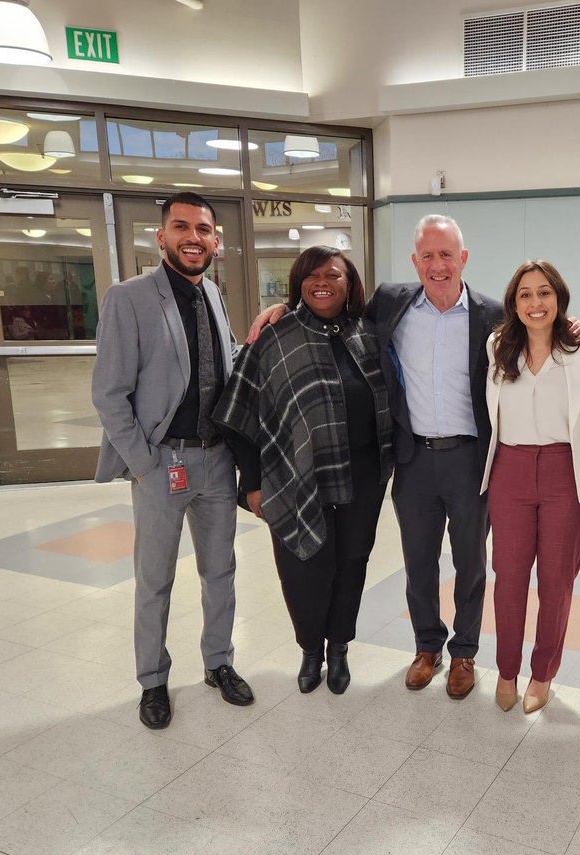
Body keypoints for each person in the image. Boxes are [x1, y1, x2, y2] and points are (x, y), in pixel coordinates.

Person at [248, 215, 504, 698]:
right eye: (427, 255)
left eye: (446, 254)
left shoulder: (494, 314)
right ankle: (427, 647)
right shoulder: (391, 303)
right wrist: (282, 308)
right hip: (413, 459)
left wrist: (572, 327)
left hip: (470, 460)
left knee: (470, 564)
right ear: (414, 261)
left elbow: (539, 335)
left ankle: (464, 652)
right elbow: (331, 307)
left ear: (464, 258)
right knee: (418, 561)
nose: (437, 265)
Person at [92, 191, 254, 730]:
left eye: (203, 229)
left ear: (215, 241)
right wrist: (144, 464)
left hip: (216, 461)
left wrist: (263, 335)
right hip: (162, 462)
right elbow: (109, 393)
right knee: (154, 578)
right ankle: (153, 681)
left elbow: (224, 362)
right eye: (181, 227)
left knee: (220, 571)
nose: (193, 237)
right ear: (161, 237)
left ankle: (219, 662)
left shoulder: (213, 293)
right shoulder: (129, 298)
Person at [212, 247, 393, 695]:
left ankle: (339, 648)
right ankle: (311, 650)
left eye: (333, 275)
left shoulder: (366, 333)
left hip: (363, 475)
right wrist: (252, 483)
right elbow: (240, 413)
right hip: (295, 475)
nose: (322, 283)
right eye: (312, 275)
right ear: (298, 283)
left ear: (350, 284)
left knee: (352, 563)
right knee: (304, 566)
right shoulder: (276, 336)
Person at [481, 260, 580, 714]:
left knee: (556, 580)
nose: (535, 302)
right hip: (509, 468)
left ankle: (543, 671)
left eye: (544, 292)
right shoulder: (498, 346)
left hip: (564, 470)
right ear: (514, 303)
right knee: (509, 577)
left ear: (559, 298)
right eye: (525, 294)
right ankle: (506, 669)